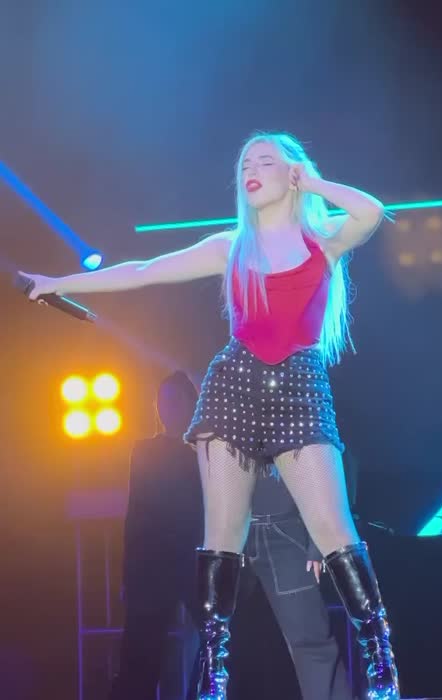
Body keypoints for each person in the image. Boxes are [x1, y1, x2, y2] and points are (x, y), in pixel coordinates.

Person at [21, 131, 400, 700]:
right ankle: (214, 674)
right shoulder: (231, 246)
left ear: (293, 173)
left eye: (267, 161)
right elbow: (144, 270)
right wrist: (57, 283)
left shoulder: (322, 240)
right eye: (245, 163)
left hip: (300, 389)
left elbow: (370, 211)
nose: (251, 169)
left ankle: (382, 666)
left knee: (334, 529)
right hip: (233, 389)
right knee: (222, 535)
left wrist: (313, 182)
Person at [110, 371, 203, 700]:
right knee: (140, 654)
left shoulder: (205, 450)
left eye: (174, 400)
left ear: (191, 404)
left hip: (194, 559)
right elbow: (135, 515)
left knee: (219, 640)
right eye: (162, 401)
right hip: (152, 563)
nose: (167, 408)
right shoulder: (145, 451)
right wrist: (129, 574)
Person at [234, 466, 353, 700]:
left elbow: (325, 463)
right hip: (231, 533)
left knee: (311, 641)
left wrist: (317, 543)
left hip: (282, 533)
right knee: (226, 640)